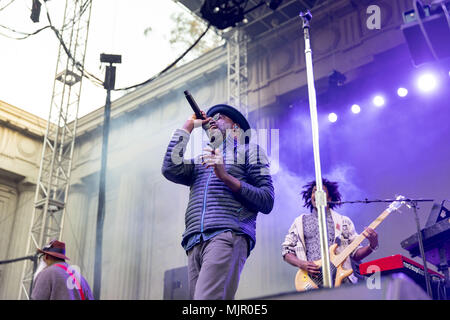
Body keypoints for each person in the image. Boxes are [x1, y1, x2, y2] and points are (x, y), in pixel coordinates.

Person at [162, 104, 275, 300]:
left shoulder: (251, 152)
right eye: (212, 117)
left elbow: (267, 199)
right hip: (195, 241)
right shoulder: (201, 160)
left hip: (227, 234)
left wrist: (225, 177)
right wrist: (188, 125)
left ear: (235, 128)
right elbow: (169, 168)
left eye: (221, 117)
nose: (214, 120)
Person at [282, 178, 378, 286]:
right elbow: (286, 251)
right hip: (313, 282)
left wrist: (372, 244)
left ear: (330, 198)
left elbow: (355, 254)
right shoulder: (300, 222)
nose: (317, 194)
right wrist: (302, 264)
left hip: (342, 282)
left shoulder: (344, 222)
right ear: (310, 196)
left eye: (321, 191)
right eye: (314, 191)